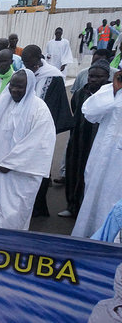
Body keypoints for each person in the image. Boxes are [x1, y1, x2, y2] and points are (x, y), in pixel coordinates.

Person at [0, 69, 56, 230]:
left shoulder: (39, 109)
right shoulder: (0, 103)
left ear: (29, 87)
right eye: (12, 85)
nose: (14, 90)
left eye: (20, 87)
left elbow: (39, 144)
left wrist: (10, 164)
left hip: (20, 175)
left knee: (12, 217)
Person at [21, 45, 73, 217]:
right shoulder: (25, 73)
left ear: (38, 59)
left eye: (28, 62)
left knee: (39, 167)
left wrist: (41, 126)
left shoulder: (54, 76)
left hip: (43, 129)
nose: (26, 65)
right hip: (23, 128)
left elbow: (57, 107)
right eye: (24, 62)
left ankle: (38, 207)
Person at [71, 70, 122, 238]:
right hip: (102, 155)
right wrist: (114, 91)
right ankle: (89, 238)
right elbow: (90, 113)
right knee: (94, 197)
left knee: (114, 201)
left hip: (118, 163)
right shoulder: (110, 90)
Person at [59, 60, 110, 218]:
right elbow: (76, 109)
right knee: (74, 173)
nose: (93, 79)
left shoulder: (111, 94)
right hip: (79, 141)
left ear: (107, 77)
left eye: (98, 77)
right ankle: (72, 207)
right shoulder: (81, 93)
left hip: (100, 145)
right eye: (91, 76)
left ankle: (89, 213)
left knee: (95, 179)